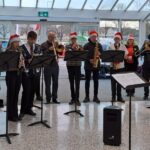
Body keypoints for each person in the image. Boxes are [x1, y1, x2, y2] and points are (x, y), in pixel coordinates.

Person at [19, 31, 41, 120]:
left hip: (36, 72)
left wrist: (38, 58)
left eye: (34, 40)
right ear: (27, 38)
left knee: (32, 91)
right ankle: (22, 111)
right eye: (31, 39)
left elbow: (41, 57)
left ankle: (29, 108)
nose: (32, 41)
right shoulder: (21, 48)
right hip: (26, 73)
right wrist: (29, 60)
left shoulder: (38, 47)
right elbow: (20, 60)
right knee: (26, 91)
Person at [41, 32, 64, 104]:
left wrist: (59, 49)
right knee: (48, 83)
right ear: (48, 37)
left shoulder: (56, 44)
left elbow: (60, 53)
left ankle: (55, 98)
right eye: (52, 37)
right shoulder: (43, 45)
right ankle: (48, 99)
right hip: (47, 66)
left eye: (54, 37)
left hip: (55, 65)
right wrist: (49, 49)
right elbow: (43, 55)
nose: (53, 38)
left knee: (55, 83)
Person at [5, 34, 24, 122]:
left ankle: (15, 114)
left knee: (16, 95)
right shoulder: (8, 51)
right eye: (16, 42)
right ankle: (10, 115)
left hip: (18, 74)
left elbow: (22, 61)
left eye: (18, 42)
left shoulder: (20, 50)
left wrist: (22, 62)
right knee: (11, 95)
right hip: (11, 75)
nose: (17, 43)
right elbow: (5, 64)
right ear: (12, 43)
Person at [83, 30, 103, 103]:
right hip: (88, 65)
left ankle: (95, 96)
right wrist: (89, 60)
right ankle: (87, 97)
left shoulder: (99, 45)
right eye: (93, 37)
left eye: (95, 36)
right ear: (90, 37)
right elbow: (83, 55)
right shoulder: (86, 45)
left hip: (96, 65)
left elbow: (102, 55)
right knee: (87, 81)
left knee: (96, 81)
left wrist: (100, 53)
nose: (94, 38)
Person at [109, 32, 128, 103]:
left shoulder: (123, 46)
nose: (117, 40)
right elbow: (109, 55)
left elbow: (126, 54)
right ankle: (113, 97)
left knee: (119, 82)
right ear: (114, 39)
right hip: (113, 66)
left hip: (120, 66)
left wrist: (125, 56)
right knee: (113, 83)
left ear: (120, 40)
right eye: (116, 39)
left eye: (118, 39)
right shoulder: (111, 46)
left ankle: (119, 97)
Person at [65, 32, 83, 106]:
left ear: (76, 39)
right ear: (70, 39)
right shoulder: (67, 46)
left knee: (77, 83)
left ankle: (77, 99)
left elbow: (83, 53)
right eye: (72, 39)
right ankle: (72, 98)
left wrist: (78, 48)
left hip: (77, 65)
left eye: (75, 39)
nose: (73, 40)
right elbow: (67, 52)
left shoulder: (80, 46)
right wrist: (73, 48)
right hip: (70, 66)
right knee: (71, 82)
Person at [141, 34, 150, 100]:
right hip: (146, 65)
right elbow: (140, 53)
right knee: (145, 81)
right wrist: (145, 49)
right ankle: (146, 94)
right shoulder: (146, 43)